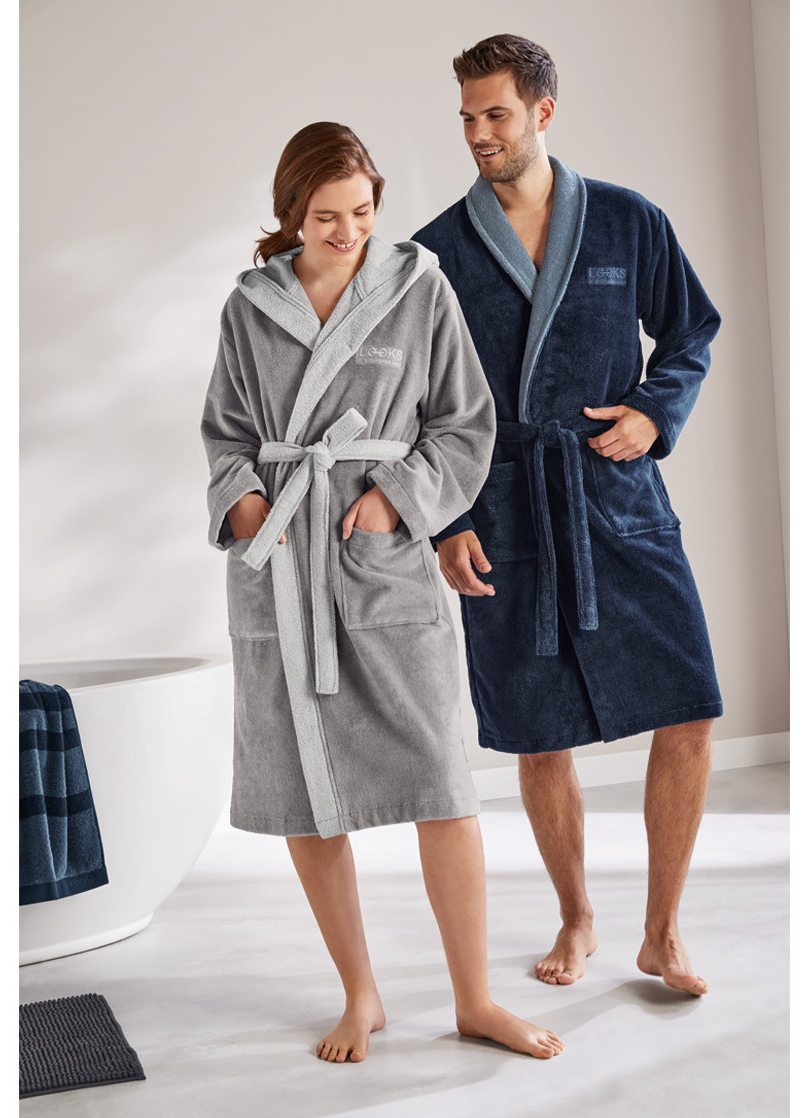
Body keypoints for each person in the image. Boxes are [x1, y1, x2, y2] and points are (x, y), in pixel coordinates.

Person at [199, 121, 564, 1062]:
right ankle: (360, 994)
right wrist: (243, 499)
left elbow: (464, 422)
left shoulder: (415, 286)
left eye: (362, 211)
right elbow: (226, 431)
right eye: (326, 216)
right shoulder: (251, 306)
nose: (347, 231)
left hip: (383, 560)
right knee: (305, 789)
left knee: (441, 782)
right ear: (291, 211)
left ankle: (475, 998)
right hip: (284, 567)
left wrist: (395, 498)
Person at [411, 35, 724, 996]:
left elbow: (691, 328)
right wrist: (447, 521)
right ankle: (578, 914)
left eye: (496, 114)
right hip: (505, 508)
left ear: (543, 111)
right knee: (537, 731)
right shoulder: (436, 252)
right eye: (467, 116)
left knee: (689, 710)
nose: (478, 133)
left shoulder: (627, 221)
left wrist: (654, 411)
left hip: (616, 497)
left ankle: (662, 931)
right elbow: (416, 401)